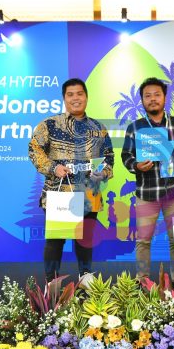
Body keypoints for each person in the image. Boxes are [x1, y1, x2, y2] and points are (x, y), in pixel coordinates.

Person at [29, 78, 114, 282]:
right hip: (59, 193)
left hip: (89, 193)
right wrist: (53, 167)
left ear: (86, 97)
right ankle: (52, 283)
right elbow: (34, 149)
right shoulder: (49, 125)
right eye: (70, 94)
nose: (75, 98)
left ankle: (85, 278)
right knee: (55, 241)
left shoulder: (99, 128)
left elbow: (108, 156)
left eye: (79, 94)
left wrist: (102, 172)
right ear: (64, 98)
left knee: (85, 240)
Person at [121, 77, 174, 284]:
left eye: (157, 94)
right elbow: (126, 156)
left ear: (165, 98)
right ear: (142, 101)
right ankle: (142, 282)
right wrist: (136, 166)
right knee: (143, 241)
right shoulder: (135, 127)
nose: (152, 99)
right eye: (147, 96)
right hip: (147, 193)